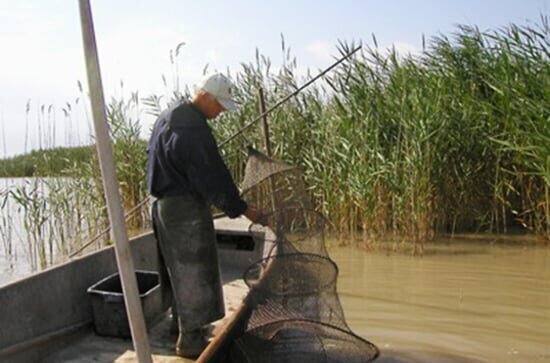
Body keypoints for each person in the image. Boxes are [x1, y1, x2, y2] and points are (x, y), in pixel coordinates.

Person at [146, 73, 263, 358]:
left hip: (162, 205)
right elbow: (212, 176)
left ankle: (179, 325)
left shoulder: (168, 115)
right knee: (195, 270)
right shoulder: (192, 127)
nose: (221, 112)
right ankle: (191, 339)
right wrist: (243, 209)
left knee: (175, 268)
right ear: (205, 97)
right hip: (184, 209)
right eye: (220, 105)